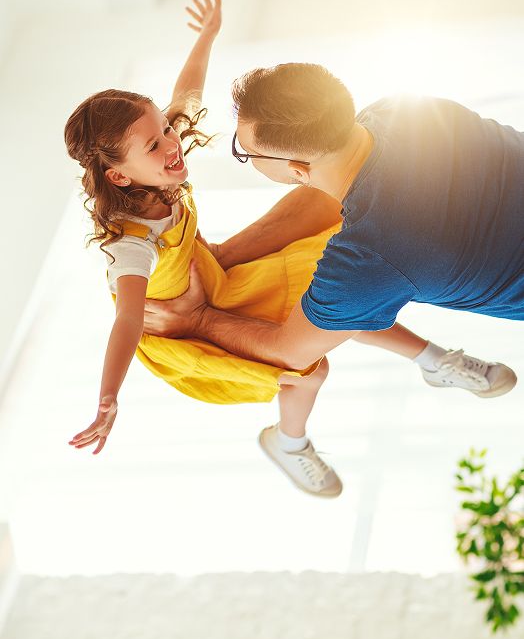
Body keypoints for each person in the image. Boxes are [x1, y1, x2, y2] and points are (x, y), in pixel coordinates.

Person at [65, 0, 515, 499]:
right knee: (307, 370)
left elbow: (185, 94)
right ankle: (290, 441)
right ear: (119, 175)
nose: (172, 141)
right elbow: (128, 319)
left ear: (298, 169)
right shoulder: (131, 243)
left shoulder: (368, 253)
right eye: (156, 142)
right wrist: (110, 397)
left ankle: (431, 361)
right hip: (170, 319)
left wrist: (206, 38)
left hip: (201, 292)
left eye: (166, 130)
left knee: (326, 291)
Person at [140, 62, 521, 403]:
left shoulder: (369, 256)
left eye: (246, 151)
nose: (245, 156)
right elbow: (337, 193)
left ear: (296, 169)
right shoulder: (409, 112)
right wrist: (223, 256)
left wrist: (198, 319)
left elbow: (290, 351)